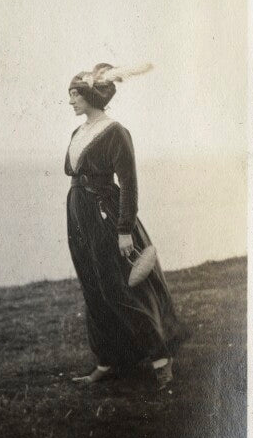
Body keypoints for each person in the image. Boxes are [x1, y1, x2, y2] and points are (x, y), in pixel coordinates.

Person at [65, 62, 182, 390]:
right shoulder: (78, 133)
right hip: (78, 214)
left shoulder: (115, 132)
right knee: (92, 286)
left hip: (105, 214)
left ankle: (160, 358)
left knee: (117, 288)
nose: (71, 101)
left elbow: (128, 185)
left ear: (91, 95)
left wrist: (124, 229)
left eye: (75, 95)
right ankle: (107, 361)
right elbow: (76, 176)